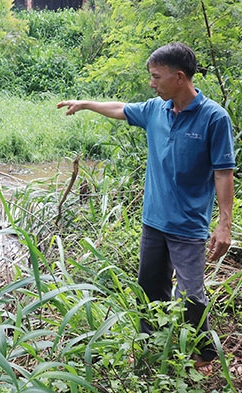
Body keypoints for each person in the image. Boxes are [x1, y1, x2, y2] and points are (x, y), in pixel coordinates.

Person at [57, 42, 236, 375]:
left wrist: (224, 224)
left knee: (191, 297)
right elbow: (122, 109)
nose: (152, 84)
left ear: (179, 77)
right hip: (153, 222)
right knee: (150, 288)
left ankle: (204, 355)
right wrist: (86, 104)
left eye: (156, 77)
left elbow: (223, 172)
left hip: (189, 226)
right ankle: (151, 346)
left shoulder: (214, 118)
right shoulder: (156, 109)